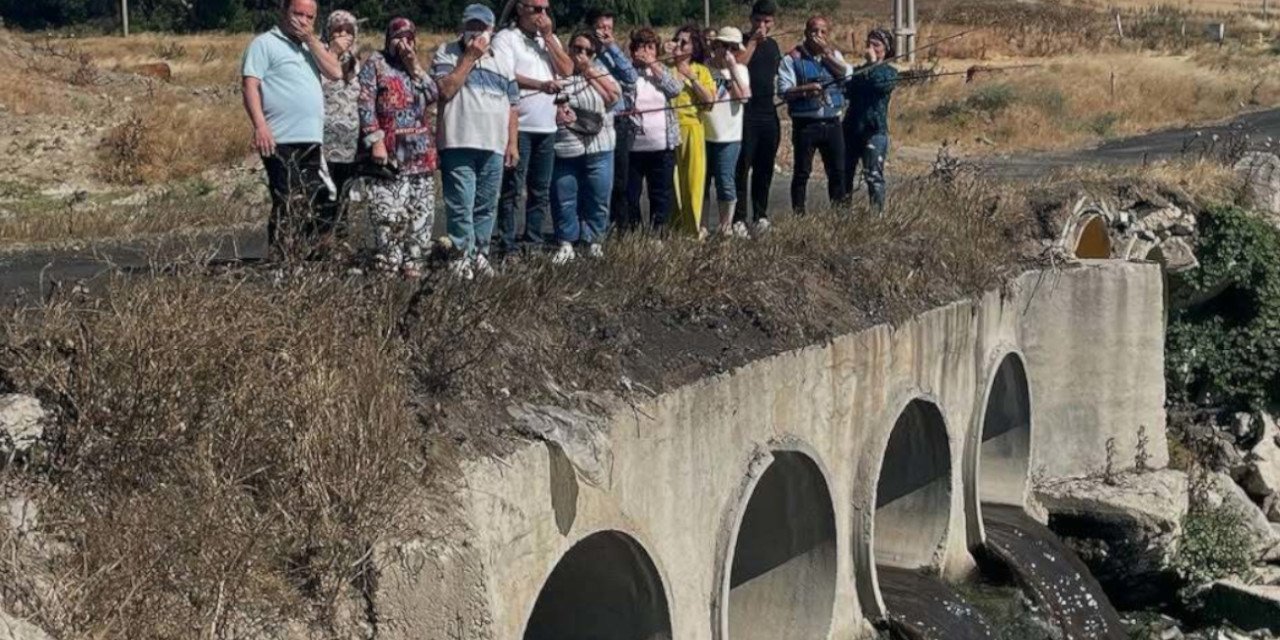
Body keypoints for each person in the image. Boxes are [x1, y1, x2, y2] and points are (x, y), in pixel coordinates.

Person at [240, 0, 342, 257]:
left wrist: (312, 42)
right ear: (284, 12)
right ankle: (281, 256)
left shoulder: (310, 48)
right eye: (298, 14)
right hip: (279, 138)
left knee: (311, 199)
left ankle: (301, 255)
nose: (303, 21)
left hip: (310, 138)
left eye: (310, 17)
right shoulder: (264, 44)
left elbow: (335, 72)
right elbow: (250, 85)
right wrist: (260, 125)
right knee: (287, 198)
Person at [433, 3, 521, 279]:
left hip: (493, 143)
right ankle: (460, 254)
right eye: (471, 26)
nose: (476, 32)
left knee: (486, 204)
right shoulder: (446, 53)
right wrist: (469, 59)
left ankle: (480, 253)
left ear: (492, 30)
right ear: (462, 27)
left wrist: (512, 143)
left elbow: (513, 106)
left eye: (481, 27)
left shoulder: (503, 62)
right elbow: (445, 90)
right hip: (458, 140)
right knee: (461, 203)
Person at [357, 17, 441, 278]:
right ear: (388, 39)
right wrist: (375, 140)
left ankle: (413, 261)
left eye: (408, 37)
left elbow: (433, 95)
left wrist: (414, 65)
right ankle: (389, 260)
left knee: (420, 208)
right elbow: (365, 102)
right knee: (389, 209)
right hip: (390, 151)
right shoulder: (375, 63)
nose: (403, 43)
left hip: (420, 151)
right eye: (397, 37)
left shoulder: (413, 67)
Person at [492, 0, 574, 256]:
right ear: (520, 8)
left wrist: (548, 36)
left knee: (540, 191)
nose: (542, 14)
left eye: (546, 9)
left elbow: (567, 69)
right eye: (536, 9)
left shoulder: (547, 39)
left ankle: (533, 242)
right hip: (519, 125)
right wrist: (540, 85)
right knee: (513, 189)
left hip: (546, 126)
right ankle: (508, 244)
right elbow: (506, 76)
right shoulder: (506, 38)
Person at [549, 32, 621, 264]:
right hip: (566, 145)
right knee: (564, 195)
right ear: (569, 48)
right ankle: (566, 242)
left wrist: (590, 72)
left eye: (588, 51)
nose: (581, 55)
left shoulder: (601, 72)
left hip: (599, 145)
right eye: (577, 49)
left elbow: (613, 98)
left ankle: (593, 241)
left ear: (594, 54)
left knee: (598, 195)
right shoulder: (558, 71)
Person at [778, 15, 852, 215]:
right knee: (802, 172)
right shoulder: (792, 59)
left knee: (837, 171)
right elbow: (783, 91)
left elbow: (847, 74)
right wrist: (805, 89)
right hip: (806, 124)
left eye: (823, 32)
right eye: (814, 31)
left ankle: (840, 215)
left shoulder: (834, 54)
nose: (818, 36)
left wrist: (827, 56)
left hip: (833, 122)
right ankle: (799, 215)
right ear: (806, 33)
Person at [585, 8, 639, 235]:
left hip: (619, 121)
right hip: (592, 120)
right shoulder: (586, 52)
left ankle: (621, 227)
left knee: (620, 179)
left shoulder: (614, 54)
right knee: (596, 179)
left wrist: (612, 47)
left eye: (610, 28)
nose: (606, 32)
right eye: (601, 28)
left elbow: (631, 76)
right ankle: (595, 226)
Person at [625, 28, 684, 232]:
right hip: (633, 147)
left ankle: (659, 232)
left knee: (661, 193)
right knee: (631, 194)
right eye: (641, 46)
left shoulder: (661, 71)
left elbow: (675, 89)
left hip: (662, 145)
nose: (646, 51)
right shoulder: (627, 73)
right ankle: (633, 232)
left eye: (650, 47)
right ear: (633, 50)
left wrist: (653, 65)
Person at [734, 0, 782, 234]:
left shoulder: (773, 46)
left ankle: (760, 214)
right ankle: (739, 218)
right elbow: (738, 66)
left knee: (765, 168)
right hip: (745, 115)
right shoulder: (741, 43)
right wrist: (752, 42)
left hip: (768, 112)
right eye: (758, 20)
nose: (762, 25)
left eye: (767, 21)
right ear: (751, 20)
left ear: (773, 23)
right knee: (742, 168)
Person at [843, 28, 899, 211]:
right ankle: (842, 213)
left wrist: (873, 64)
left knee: (873, 176)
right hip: (851, 129)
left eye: (876, 45)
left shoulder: (890, 72)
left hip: (875, 132)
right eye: (868, 44)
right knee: (845, 174)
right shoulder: (858, 71)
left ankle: (877, 216)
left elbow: (880, 85)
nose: (871, 48)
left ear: (886, 49)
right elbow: (848, 91)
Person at [703, 27, 751, 236]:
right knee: (703, 182)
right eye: (724, 46)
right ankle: (702, 225)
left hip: (729, 136)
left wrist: (731, 70)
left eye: (733, 48)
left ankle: (725, 226)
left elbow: (743, 98)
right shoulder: (704, 68)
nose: (727, 51)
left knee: (725, 180)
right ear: (716, 46)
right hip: (705, 133)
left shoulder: (741, 70)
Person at [668, 25, 715, 237]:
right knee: (673, 182)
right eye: (676, 40)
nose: (678, 45)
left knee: (693, 181)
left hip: (693, 129)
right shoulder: (666, 70)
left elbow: (709, 102)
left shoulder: (701, 71)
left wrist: (691, 78)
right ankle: (674, 227)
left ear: (693, 47)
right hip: (669, 130)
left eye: (683, 42)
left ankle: (693, 230)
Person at [319, 9, 360, 246]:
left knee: (343, 199)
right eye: (338, 30)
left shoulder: (357, 62)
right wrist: (333, 52)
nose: (343, 34)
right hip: (324, 143)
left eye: (348, 30)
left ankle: (341, 246)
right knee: (324, 197)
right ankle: (320, 248)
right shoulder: (319, 56)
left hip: (350, 144)